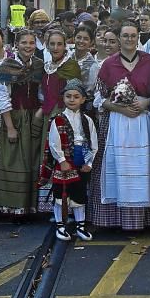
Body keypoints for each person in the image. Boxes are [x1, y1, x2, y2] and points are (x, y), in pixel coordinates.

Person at [91, 21, 150, 231]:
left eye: (133, 36)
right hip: (118, 123)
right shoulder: (109, 64)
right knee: (117, 168)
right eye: (125, 36)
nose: (129, 40)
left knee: (147, 167)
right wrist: (120, 109)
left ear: (139, 37)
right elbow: (99, 98)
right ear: (119, 38)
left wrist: (145, 102)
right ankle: (115, 219)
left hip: (145, 123)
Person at [0, 30, 46, 215]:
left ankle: (30, 206)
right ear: (16, 44)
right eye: (24, 43)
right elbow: (3, 98)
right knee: (15, 162)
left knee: (32, 160)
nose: (28, 46)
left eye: (32, 43)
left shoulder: (39, 65)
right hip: (14, 117)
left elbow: (41, 94)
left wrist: (39, 115)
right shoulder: (8, 65)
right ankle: (14, 208)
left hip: (33, 116)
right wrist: (10, 128)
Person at [40, 78, 98, 241]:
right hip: (65, 162)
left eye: (76, 96)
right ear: (63, 98)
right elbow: (53, 142)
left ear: (83, 99)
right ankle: (60, 225)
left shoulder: (88, 121)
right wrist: (62, 160)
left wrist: (89, 162)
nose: (72, 99)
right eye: (68, 96)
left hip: (81, 161)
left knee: (79, 195)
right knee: (61, 195)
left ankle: (80, 225)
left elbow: (93, 143)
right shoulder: (57, 119)